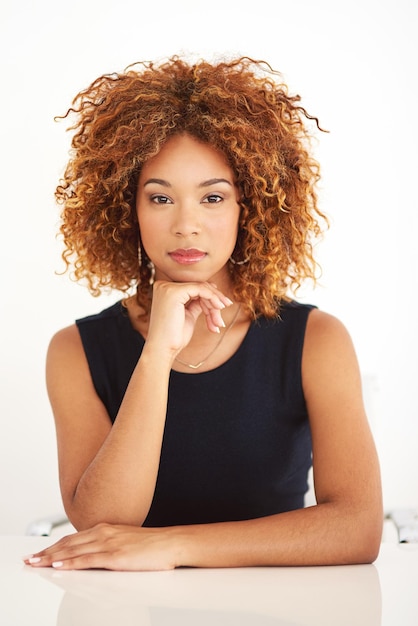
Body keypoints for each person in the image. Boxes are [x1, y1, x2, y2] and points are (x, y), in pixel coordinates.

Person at [24, 55, 382, 571]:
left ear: (249, 207)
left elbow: (357, 526)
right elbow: (103, 519)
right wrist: (158, 353)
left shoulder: (315, 339)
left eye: (212, 197)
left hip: (281, 608)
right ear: (130, 210)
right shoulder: (75, 350)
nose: (186, 225)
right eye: (160, 198)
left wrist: (174, 546)